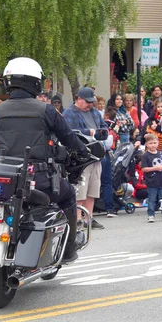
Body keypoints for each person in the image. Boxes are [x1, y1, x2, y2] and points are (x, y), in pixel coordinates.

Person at [0, 57, 90, 262]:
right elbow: (69, 138)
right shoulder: (46, 110)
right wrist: (82, 150)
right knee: (68, 196)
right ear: (34, 82)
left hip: (4, 180)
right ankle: (69, 248)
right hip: (38, 179)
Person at [61, 86, 106, 230]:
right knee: (80, 189)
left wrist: (103, 132)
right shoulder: (69, 112)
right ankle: (78, 219)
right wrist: (89, 132)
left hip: (96, 154)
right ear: (79, 99)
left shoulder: (95, 112)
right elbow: (67, 132)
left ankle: (89, 218)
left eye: (91, 102)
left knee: (93, 188)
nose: (90, 105)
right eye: (87, 102)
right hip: (80, 157)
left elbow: (103, 126)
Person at [141, 134, 162, 223]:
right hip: (151, 181)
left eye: (155, 143)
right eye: (150, 143)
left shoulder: (161, 154)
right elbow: (144, 168)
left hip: (161, 180)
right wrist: (155, 168)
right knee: (152, 198)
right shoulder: (145, 155)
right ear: (147, 144)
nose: (153, 145)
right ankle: (151, 214)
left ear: (158, 143)